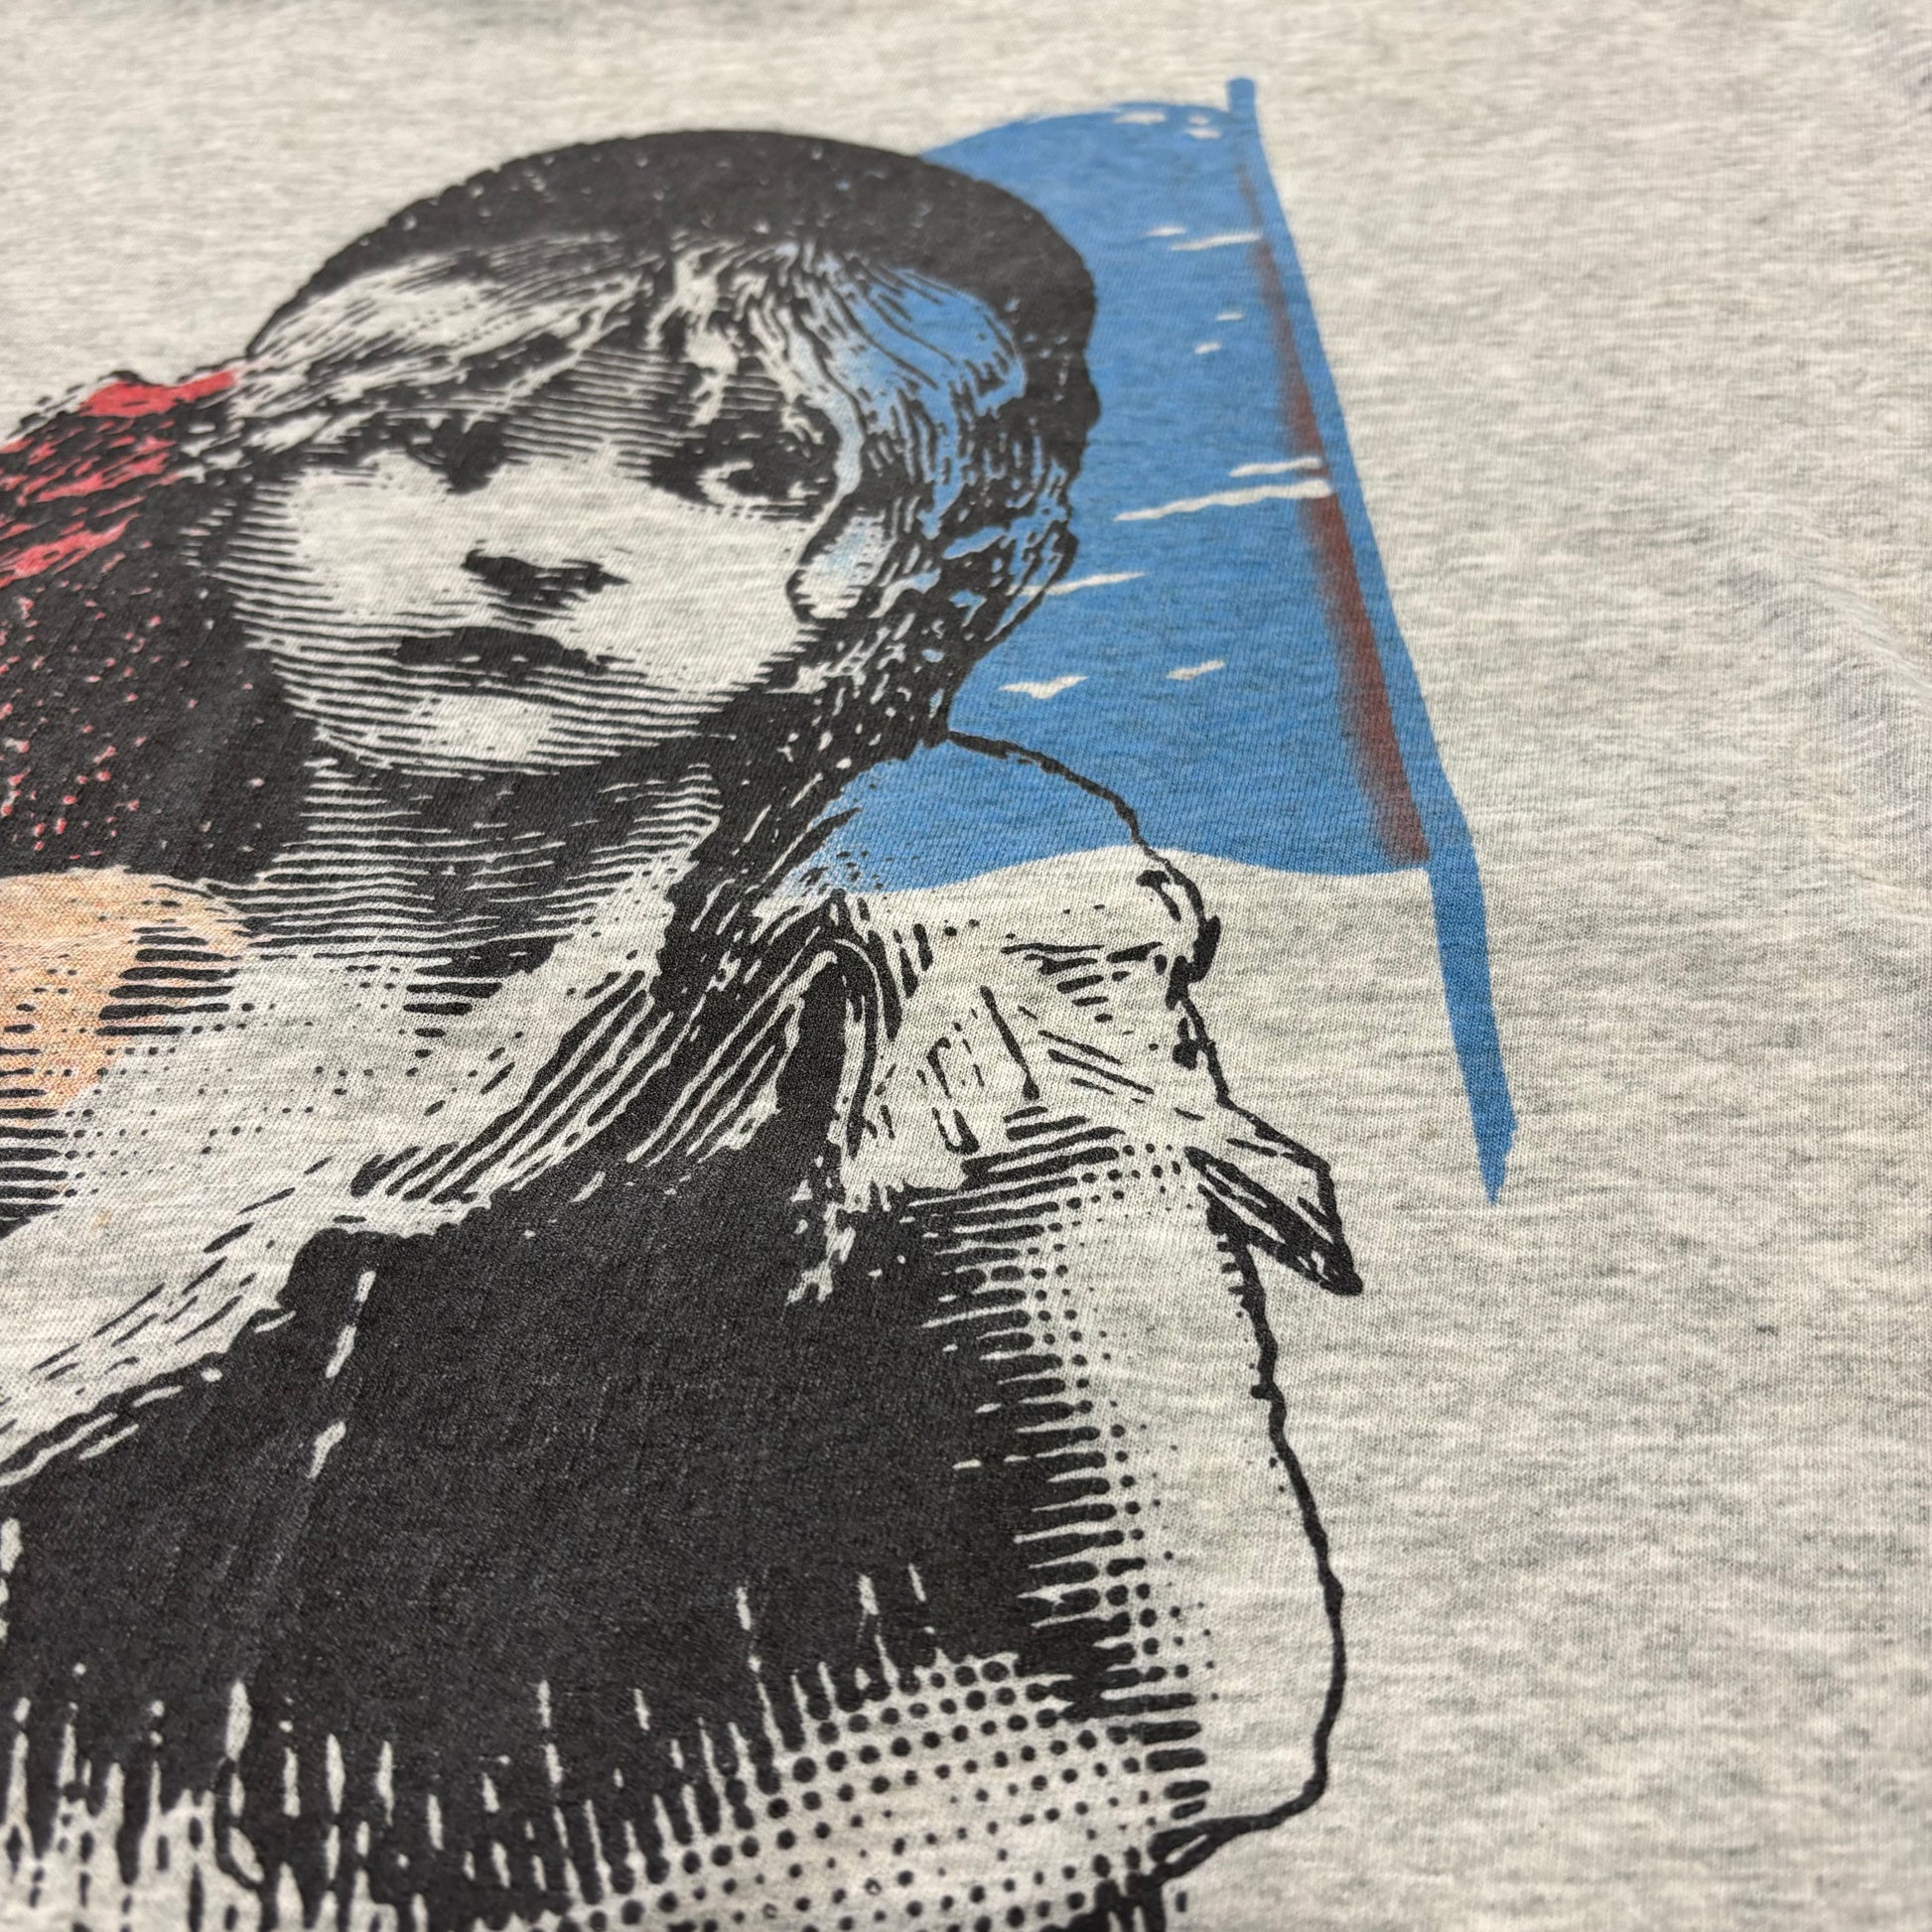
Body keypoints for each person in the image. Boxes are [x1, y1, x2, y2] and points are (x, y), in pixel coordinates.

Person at [0, 132, 1357, 1931]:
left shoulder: (931, 964)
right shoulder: (77, 972)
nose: (536, 543)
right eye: (430, 441)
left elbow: (1164, 1709)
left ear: (899, 578)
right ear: (228, 515)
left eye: (736, 471)